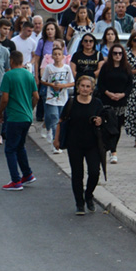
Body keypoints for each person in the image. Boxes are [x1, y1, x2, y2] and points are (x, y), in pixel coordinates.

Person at [54, 75, 106, 215]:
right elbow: (61, 121)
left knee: (94, 172)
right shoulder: (71, 102)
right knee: (77, 174)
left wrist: (100, 121)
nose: (84, 89)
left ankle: (89, 195)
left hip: (93, 144)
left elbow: (104, 120)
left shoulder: (97, 103)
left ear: (92, 89)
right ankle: (79, 203)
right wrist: (56, 139)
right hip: (74, 143)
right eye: (82, 86)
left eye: (88, 86)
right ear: (77, 87)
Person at [0, 50, 38, 191]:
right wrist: (30, 107)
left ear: (12, 61)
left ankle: (15, 180)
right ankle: (27, 174)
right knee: (20, 146)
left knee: (10, 149)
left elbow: (5, 98)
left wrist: (0, 112)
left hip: (14, 116)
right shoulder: (28, 75)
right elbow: (36, 96)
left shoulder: (8, 75)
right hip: (27, 116)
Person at [94, 44, 132, 165]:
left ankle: (113, 150)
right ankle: (109, 149)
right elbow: (100, 84)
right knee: (107, 126)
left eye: (120, 53)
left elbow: (130, 85)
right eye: (115, 53)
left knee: (117, 126)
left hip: (121, 101)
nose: (117, 56)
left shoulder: (126, 68)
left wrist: (122, 95)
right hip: (107, 101)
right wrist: (109, 94)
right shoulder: (106, 67)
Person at [40, 43, 73, 142]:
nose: (57, 56)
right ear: (52, 56)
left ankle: (61, 138)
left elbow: (72, 82)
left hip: (63, 98)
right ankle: (55, 141)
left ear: (63, 56)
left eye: (59, 54)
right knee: (54, 118)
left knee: (61, 119)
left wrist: (63, 86)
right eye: (55, 54)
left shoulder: (67, 68)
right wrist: (51, 85)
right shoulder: (49, 68)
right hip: (51, 98)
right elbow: (43, 80)